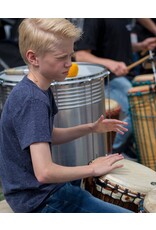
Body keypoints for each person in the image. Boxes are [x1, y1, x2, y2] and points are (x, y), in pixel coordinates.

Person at [0, 18, 132, 213]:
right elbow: (44, 172)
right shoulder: (32, 100)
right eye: (61, 57)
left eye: (70, 55)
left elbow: (47, 135)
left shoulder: (39, 88)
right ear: (33, 58)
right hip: (39, 201)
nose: (69, 64)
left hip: (39, 194)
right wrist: (92, 169)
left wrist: (91, 128)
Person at [74, 18, 156, 156]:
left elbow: (114, 46)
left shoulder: (124, 16)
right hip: (107, 80)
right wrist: (110, 64)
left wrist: (140, 45)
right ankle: (104, 154)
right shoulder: (94, 17)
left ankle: (123, 151)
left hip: (124, 77)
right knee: (139, 108)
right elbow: (80, 55)